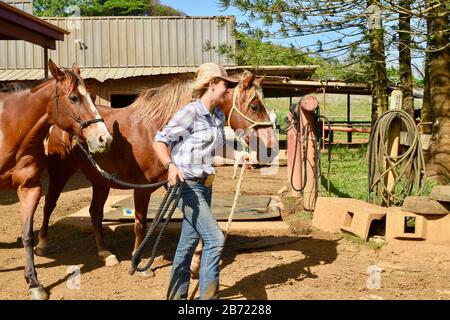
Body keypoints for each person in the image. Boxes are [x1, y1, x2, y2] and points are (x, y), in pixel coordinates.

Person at [153, 62, 247, 300]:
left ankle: (176, 297)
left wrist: (237, 154)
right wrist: (169, 165)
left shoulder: (216, 115)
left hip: (205, 186)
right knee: (215, 239)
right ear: (212, 84)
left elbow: (218, 145)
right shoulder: (190, 113)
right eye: (226, 84)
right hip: (186, 186)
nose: (229, 90)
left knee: (187, 244)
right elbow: (159, 141)